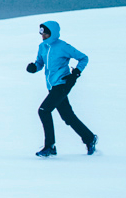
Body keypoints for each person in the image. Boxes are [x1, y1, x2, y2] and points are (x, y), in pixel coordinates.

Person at [27, 19, 97, 157]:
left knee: (43, 110)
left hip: (62, 84)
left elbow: (83, 58)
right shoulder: (42, 47)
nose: (42, 36)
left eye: (45, 33)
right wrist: (34, 67)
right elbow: (40, 63)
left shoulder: (62, 46)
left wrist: (76, 73)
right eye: (41, 33)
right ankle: (89, 138)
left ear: (52, 33)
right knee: (67, 116)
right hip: (52, 86)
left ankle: (50, 146)